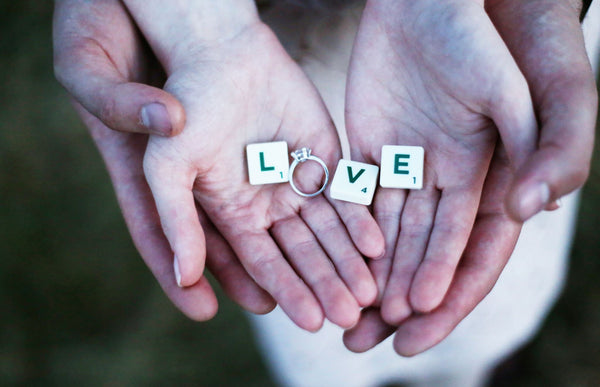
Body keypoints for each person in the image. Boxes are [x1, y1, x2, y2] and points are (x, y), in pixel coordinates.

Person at [53, 0, 598, 385]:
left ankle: (481, 369)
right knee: (319, 338)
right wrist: (195, 28)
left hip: (461, 52)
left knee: (487, 300)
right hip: (249, 76)